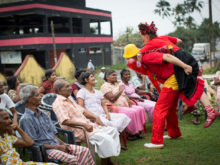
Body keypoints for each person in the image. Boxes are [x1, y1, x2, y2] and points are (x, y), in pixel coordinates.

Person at [122, 22, 218, 149]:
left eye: (132, 58)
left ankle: (157, 141)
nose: (132, 62)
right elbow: (178, 41)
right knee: (173, 106)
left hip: (174, 77)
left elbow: (166, 56)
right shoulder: (159, 42)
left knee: (159, 109)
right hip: (177, 71)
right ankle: (174, 133)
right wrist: (168, 47)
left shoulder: (146, 56)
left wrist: (183, 65)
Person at [19, 85, 95, 165]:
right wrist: (57, 147)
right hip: (45, 150)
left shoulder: (43, 114)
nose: (41, 96)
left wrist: (64, 144)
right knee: (73, 159)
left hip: (56, 145)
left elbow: (52, 135)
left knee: (85, 151)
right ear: (29, 99)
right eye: (37, 95)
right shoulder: (26, 119)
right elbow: (33, 143)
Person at [52, 79, 120, 165]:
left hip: (88, 126)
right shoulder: (58, 103)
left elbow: (83, 111)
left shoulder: (69, 98)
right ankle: (105, 162)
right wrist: (84, 125)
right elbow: (65, 121)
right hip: (78, 130)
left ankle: (107, 161)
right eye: (67, 86)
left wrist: (95, 118)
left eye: (69, 85)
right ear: (59, 90)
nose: (70, 88)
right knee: (105, 138)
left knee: (113, 131)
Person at [77, 72, 131, 149]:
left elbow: (103, 104)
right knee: (107, 123)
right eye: (92, 76)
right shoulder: (82, 92)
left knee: (123, 117)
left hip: (103, 114)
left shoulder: (97, 92)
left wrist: (107, 114)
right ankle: (112, 145)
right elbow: (81, 108)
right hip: (92, 118)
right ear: (86, 80)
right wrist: (93, 117)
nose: (94, 78)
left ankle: (120, 141)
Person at [100, 69, 147, 139]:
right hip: (115, 107)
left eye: (116, 75)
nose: (115, 77)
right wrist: (120, 90)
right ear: (107, 77)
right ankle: (131, 134)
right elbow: (112, 99)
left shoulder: (117, 84)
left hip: (125, 105)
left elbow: (124, 94)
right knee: (132, 112)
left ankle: (137, 131)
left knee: (140, 109)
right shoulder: (105, 86)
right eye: (113, 75)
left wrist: (128, 100)